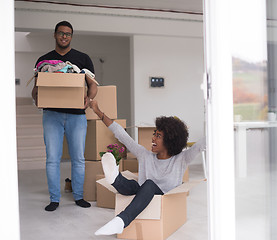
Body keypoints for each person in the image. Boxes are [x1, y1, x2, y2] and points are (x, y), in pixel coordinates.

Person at [88, 100, 206, 236]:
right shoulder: (145, 155)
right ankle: (114, 178)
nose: (153, 138)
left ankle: (122, 220)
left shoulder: (181, 159)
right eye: (154, 133)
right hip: (141, 193)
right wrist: (97, 111)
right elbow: (122, 135)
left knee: (149, 184)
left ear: (170, 141)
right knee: (135, 185)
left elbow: (200, 145)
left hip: (164, 197)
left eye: (158, 136)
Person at [31, 21, 98, 211]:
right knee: (52, 158)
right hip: (51, 114)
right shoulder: (43, 60)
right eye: (61, 33)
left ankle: (78, 196)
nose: (64, 37)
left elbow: (93, 85)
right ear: (54, 35)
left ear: (71, 36)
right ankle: (54, 199)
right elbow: (36, 89)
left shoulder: (82, 58)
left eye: (68, 34)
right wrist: (37, 98)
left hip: (77, 115)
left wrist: (89, 99)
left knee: (78, 158)